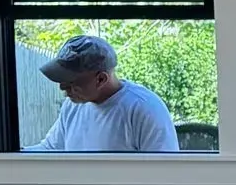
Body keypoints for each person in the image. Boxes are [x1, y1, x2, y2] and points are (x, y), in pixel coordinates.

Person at [26, 34, 179, 153]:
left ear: (101, 79)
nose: (62, 88)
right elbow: (50, 150)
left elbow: (165, 171)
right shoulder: (72, 107)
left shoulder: (144, 109)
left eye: (71, 82)